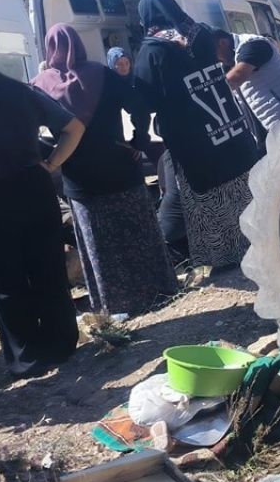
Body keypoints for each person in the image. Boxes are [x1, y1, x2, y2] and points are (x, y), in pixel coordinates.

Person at [0, 33, 85, 377]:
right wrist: (51, 164)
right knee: (48, 269)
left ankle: (27, 357)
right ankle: (62, 343)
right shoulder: (18, 90)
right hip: (33, 186)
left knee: (4, 283)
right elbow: (73, 127)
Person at [34, 25, 177, 316]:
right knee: (140, 233)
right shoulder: (102, 74)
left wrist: (50, 158)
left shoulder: (39, 85)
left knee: (99, 246)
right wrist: (138, 140)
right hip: (121, 166)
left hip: (80, 180)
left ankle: (115, 305)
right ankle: (159, 292)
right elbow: (138, 106)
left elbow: (25, 129)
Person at [133, 0, 258, 269]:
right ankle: (262, 244)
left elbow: (145, 100)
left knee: (210, 198)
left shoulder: (152, 51)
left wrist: (139, 137)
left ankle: (226, 261)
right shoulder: (201, 35)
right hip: (230, 131)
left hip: (195, 143)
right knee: (244, 190)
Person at [213, 30, 280, 134]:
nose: (215, 59)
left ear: (222, 43)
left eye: (214, 53)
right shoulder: (229, 61)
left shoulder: (253, 44)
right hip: (278, 128)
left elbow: (236, 77)